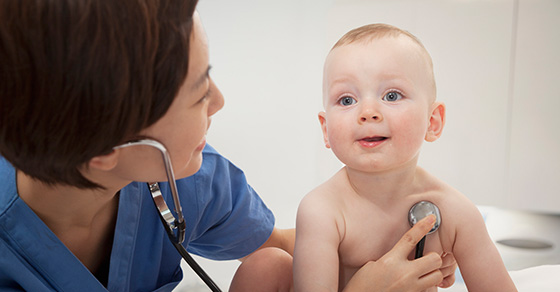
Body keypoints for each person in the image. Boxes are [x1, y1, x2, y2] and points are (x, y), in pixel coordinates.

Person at [0, 1, 456, 291]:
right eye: (199, 93)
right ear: (103, 146)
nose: (219, 101)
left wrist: (397, 241)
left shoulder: (190, 181)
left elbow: (286, 244)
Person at [293, 23, 517, 292]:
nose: (367, 112)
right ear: (326, 129)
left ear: (432, 121)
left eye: (391, 95)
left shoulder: (456, 213)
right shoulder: (322, 211)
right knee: (267, 266)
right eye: (346, 100)